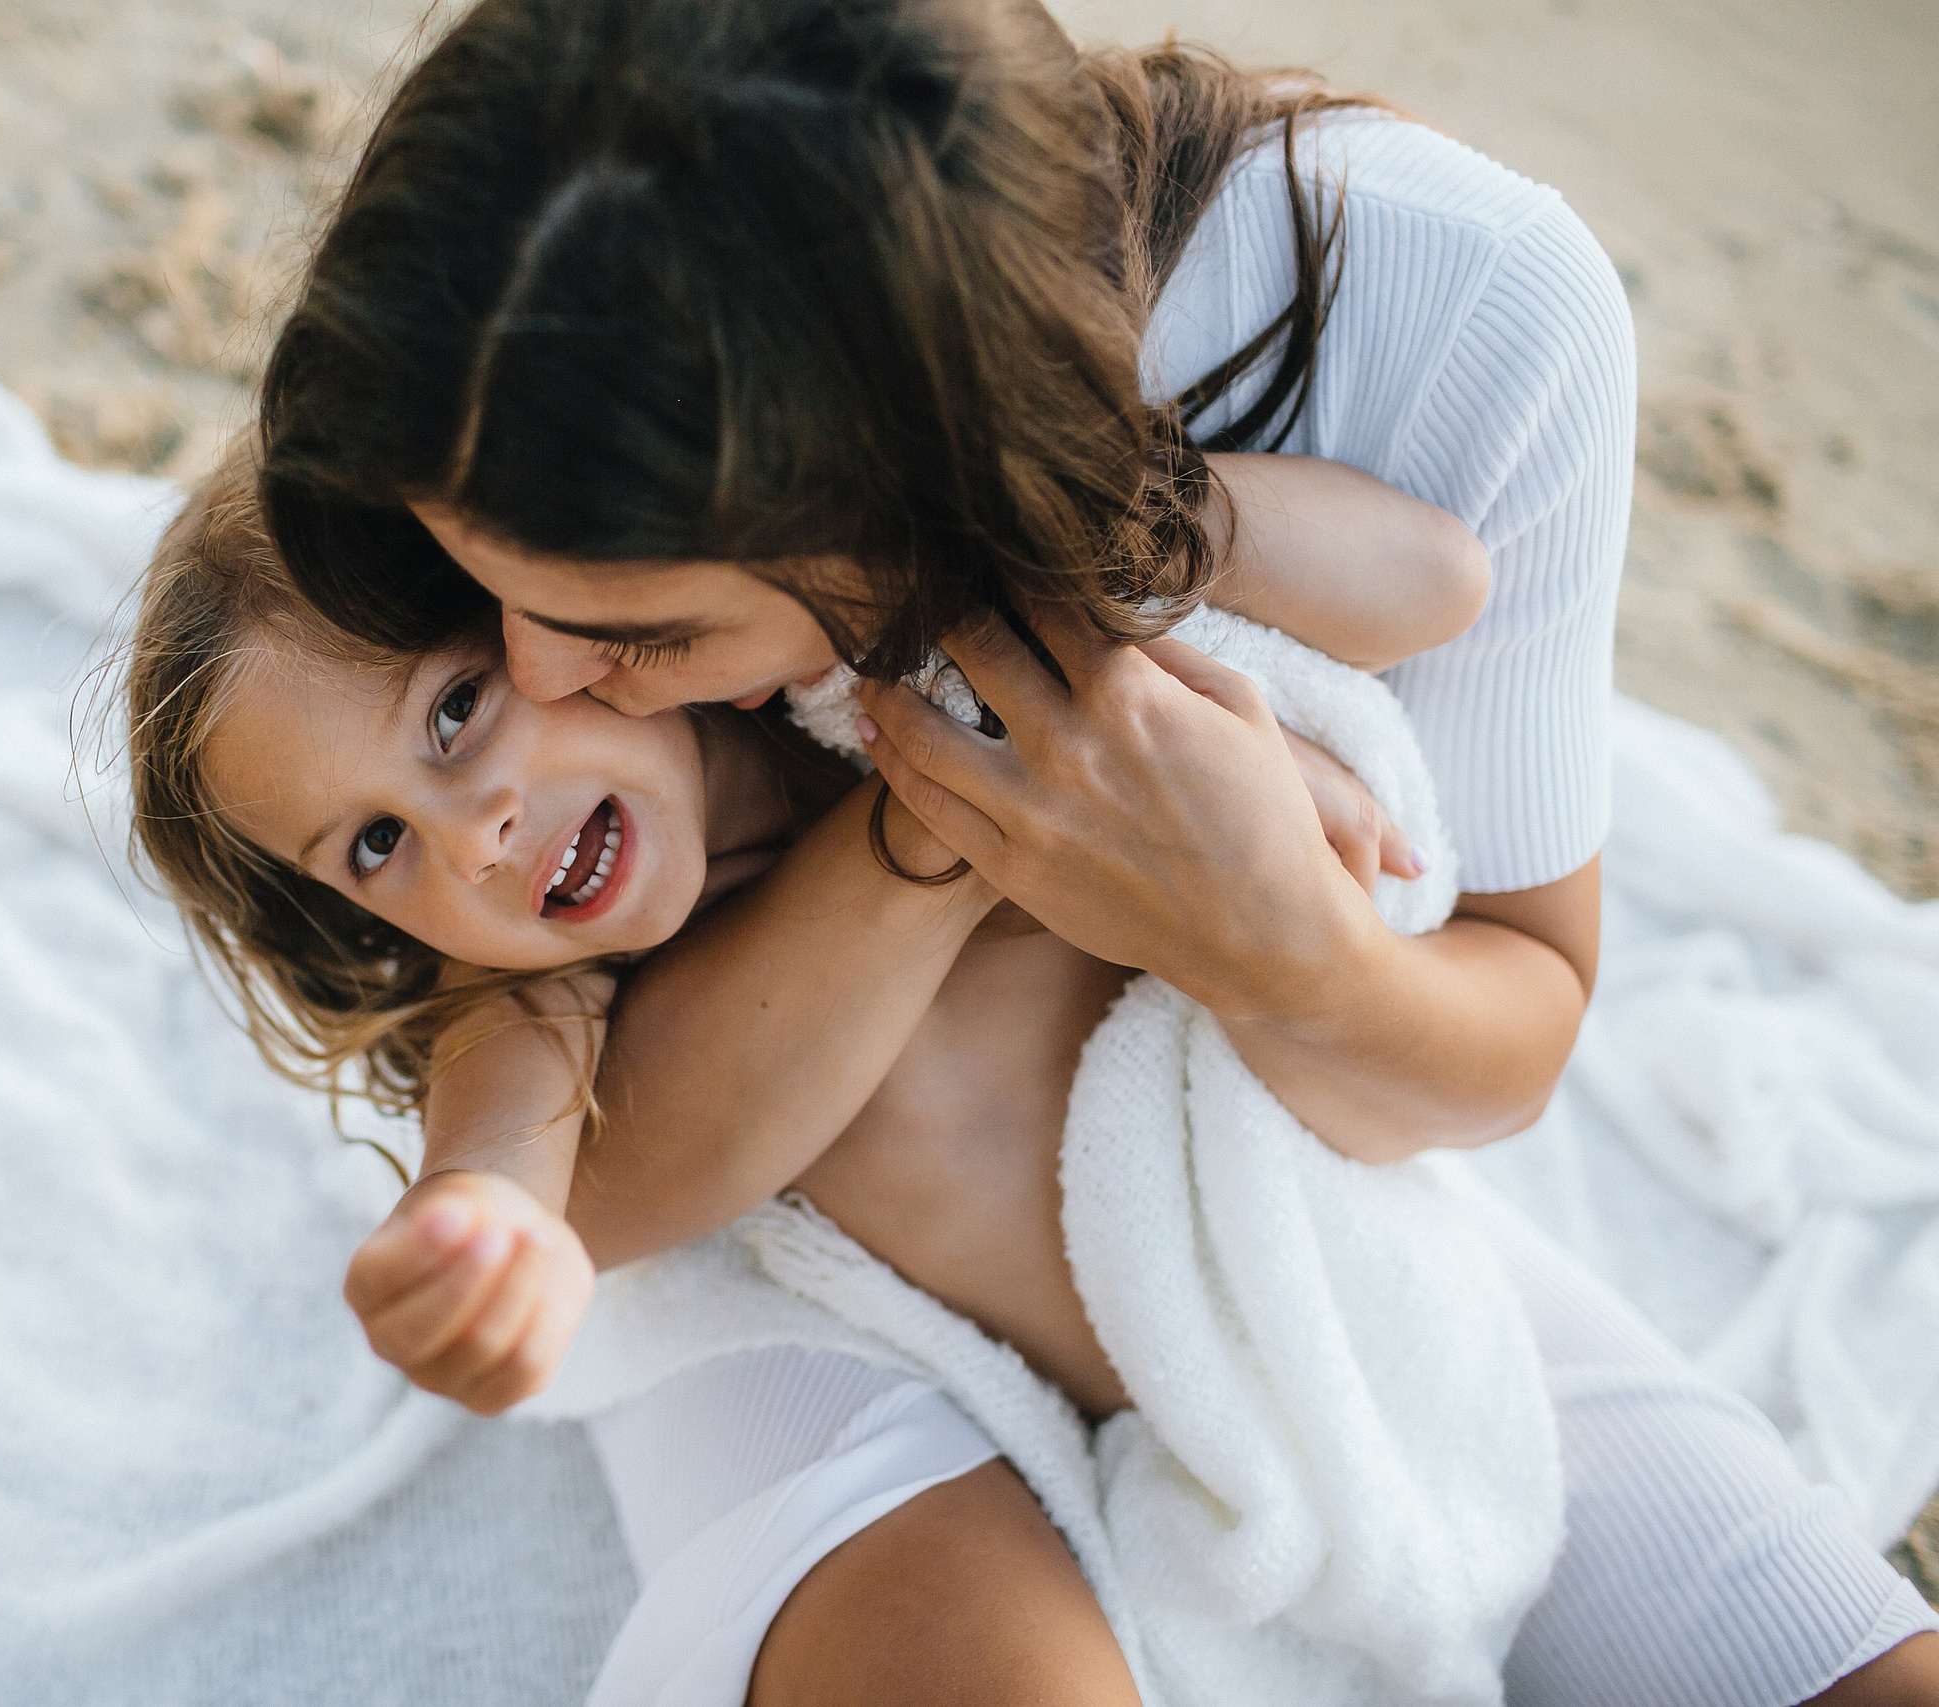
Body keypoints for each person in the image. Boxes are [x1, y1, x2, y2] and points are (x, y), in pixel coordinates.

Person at [244, 1, 1939, 1702]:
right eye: (484, 632)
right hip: (811, 1290)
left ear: (923, 508)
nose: (536, 676)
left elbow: (1458, 771)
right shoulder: (534, 459)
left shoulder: (1427, 346)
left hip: (1263, 1209)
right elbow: (540, 1108)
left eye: (623, 628)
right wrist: (942, 831)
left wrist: (1292, 948)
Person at [129, 443, 1498, 1697]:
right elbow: (502, 1156)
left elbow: (1439, 579)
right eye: (373, 846)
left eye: (457, 713)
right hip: (1006, 1418)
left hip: (1303, 1339)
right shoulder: (524, 994)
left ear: (559, 607)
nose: (468, 842)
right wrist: (480, 1232)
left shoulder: (901, 684)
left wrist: (1060, 550)